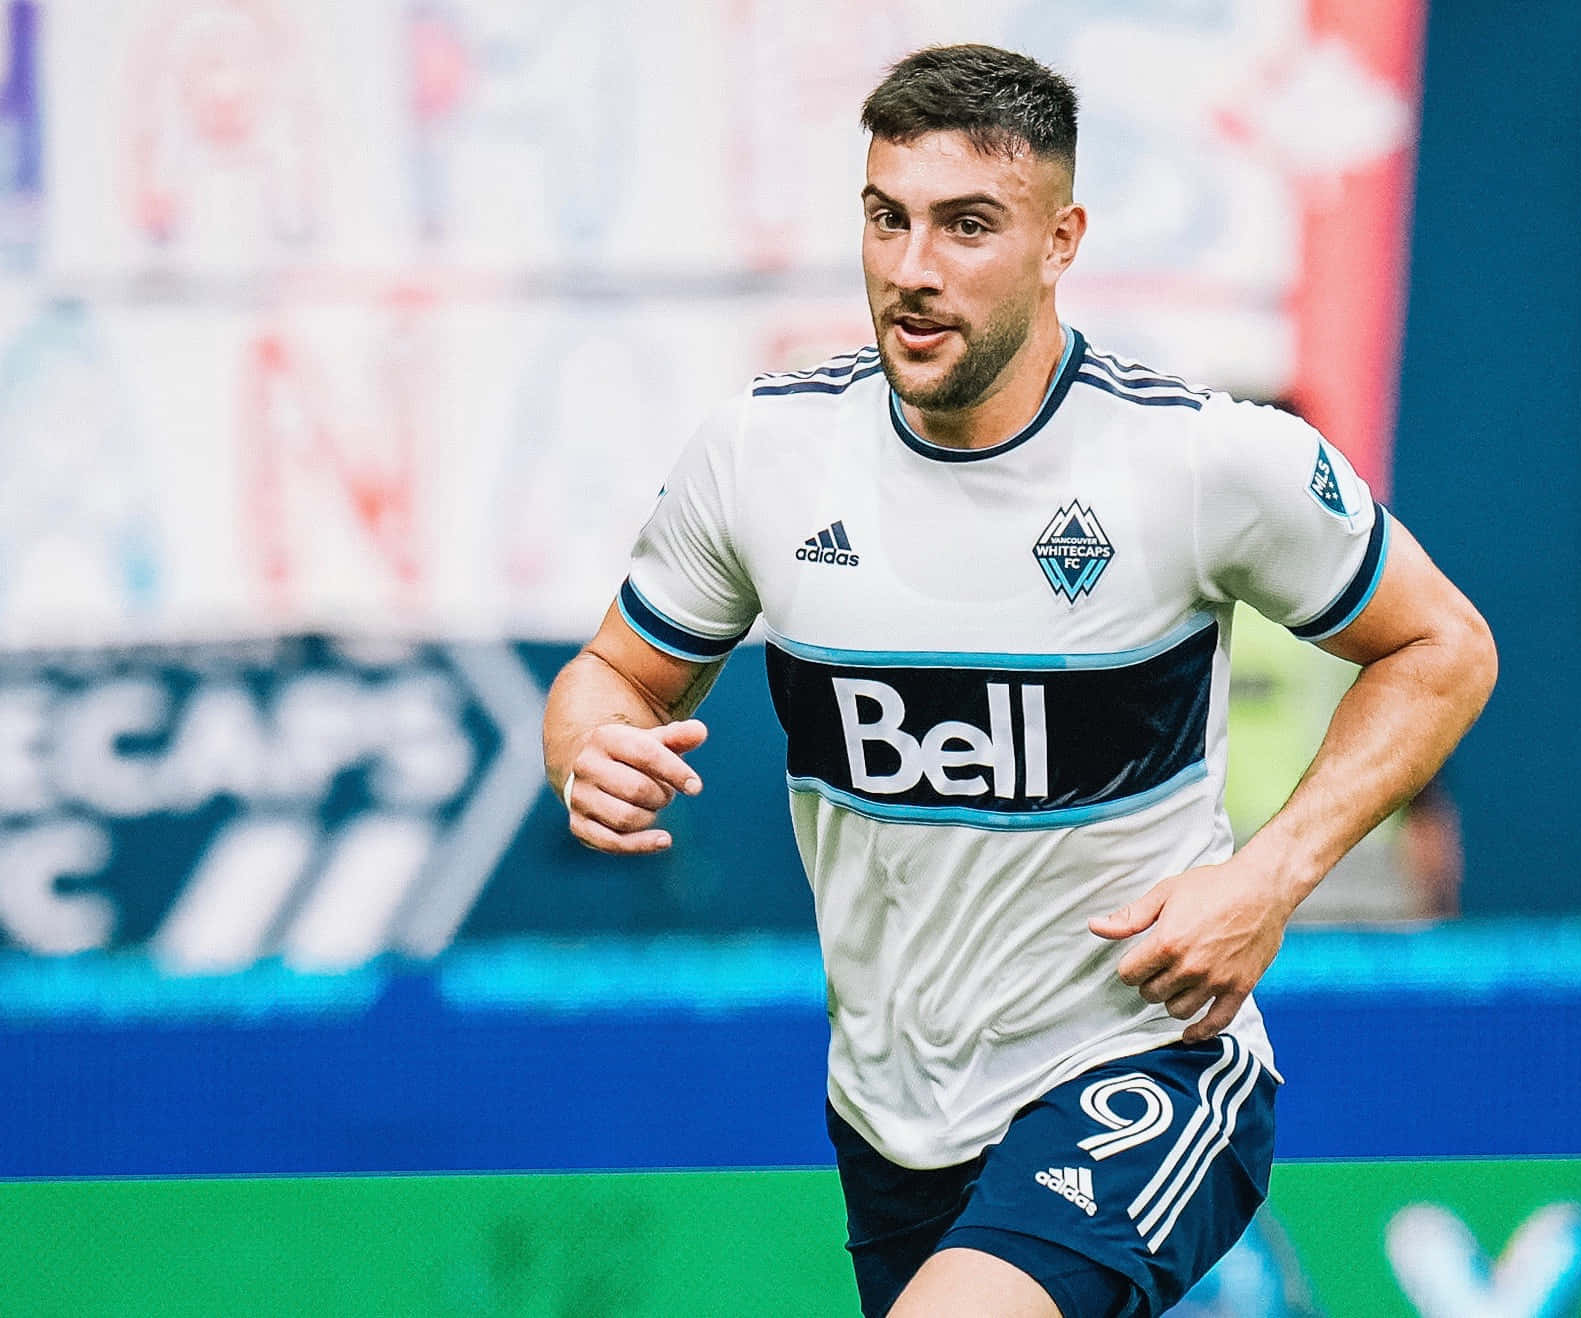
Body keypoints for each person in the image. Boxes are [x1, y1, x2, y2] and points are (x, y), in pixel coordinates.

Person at [540, 44, 1496, 1318]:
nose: (912, 267)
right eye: (886, 218)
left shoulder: (1199, 462)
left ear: (1060, 241)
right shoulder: (760, 457)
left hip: (1144, 1064)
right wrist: (588, 743)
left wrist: (1267, 879)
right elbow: (612, 674)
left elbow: (1443, 647)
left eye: (966, 224)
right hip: (893, 1120)